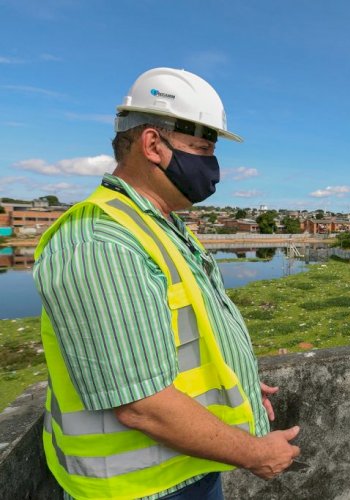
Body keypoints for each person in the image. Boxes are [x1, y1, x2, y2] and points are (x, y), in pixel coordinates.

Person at [33, 67, 300, 499]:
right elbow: (141, 405)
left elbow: (185, 340)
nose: (212, 167)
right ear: (153, 144)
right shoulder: (104, 241)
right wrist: (255, 453)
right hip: (138, 490)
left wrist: (243, 386)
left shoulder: (162, 226)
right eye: (200, 148)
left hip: (187, 470)